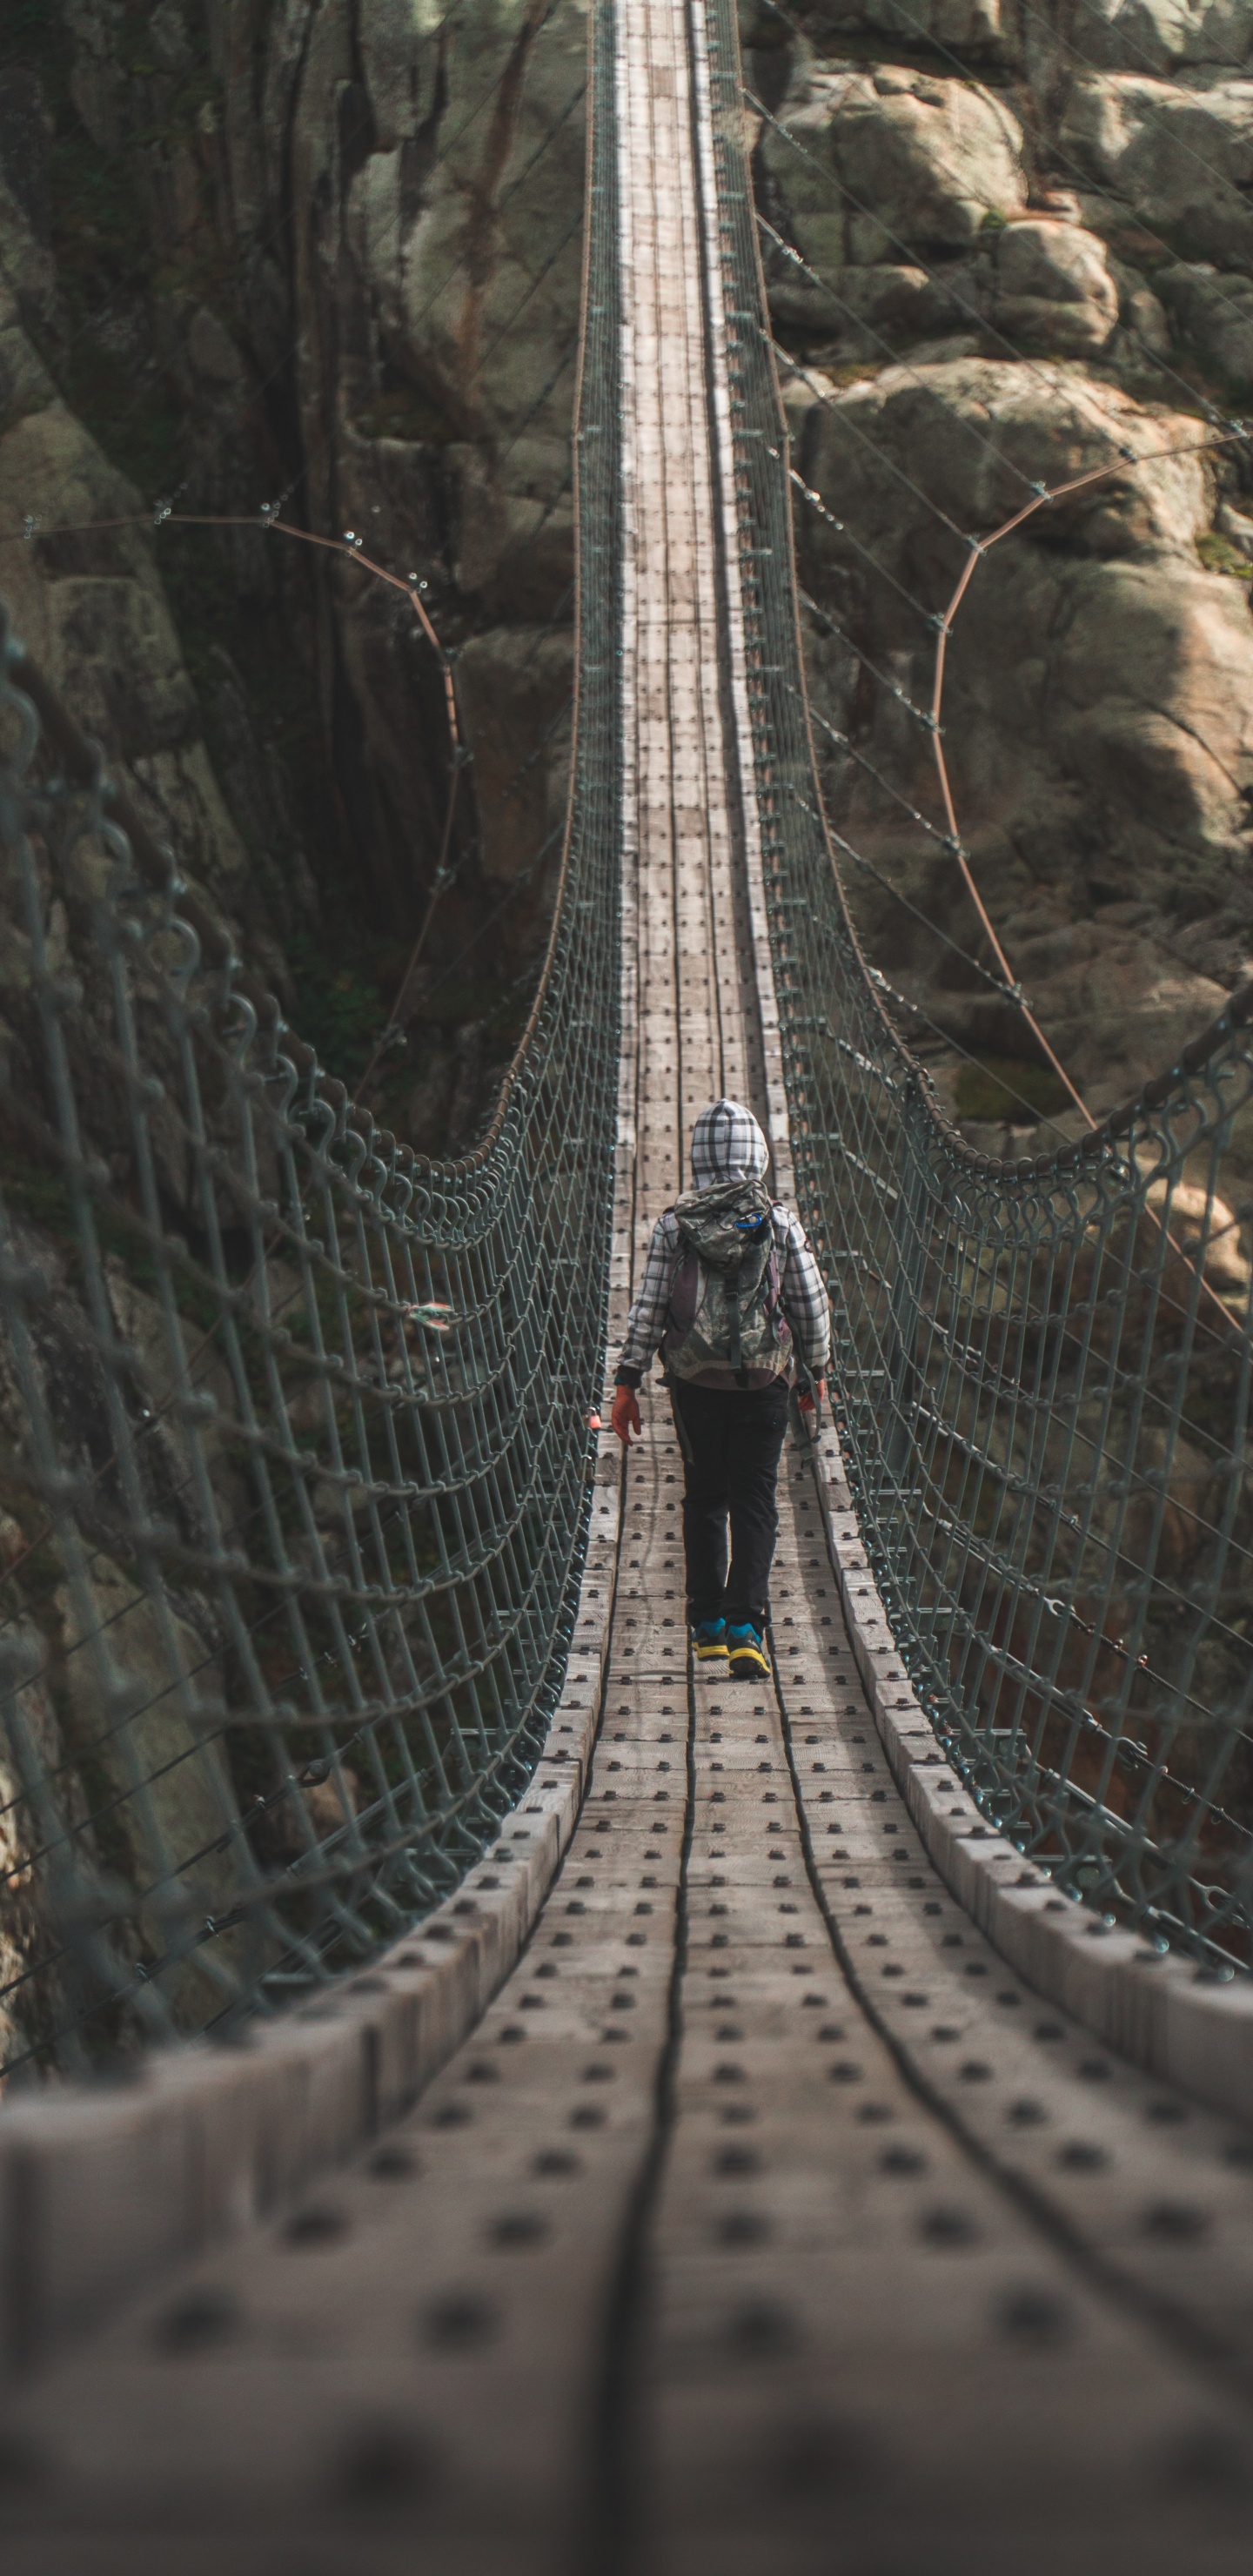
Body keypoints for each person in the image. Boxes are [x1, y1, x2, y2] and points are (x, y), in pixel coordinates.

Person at [610, 1099, 830, 1681]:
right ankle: (745, 1629)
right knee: (755, 1500)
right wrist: (815, 1369)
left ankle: (706, 1624)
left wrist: (628, 1380)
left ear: (697, 1158)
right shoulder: (779, 1222)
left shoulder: (674, 1225)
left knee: (705, 1497)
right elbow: (808, 1303)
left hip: (694, 1383)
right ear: (758, 1156)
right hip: (764, 1380)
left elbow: (649, 1307)